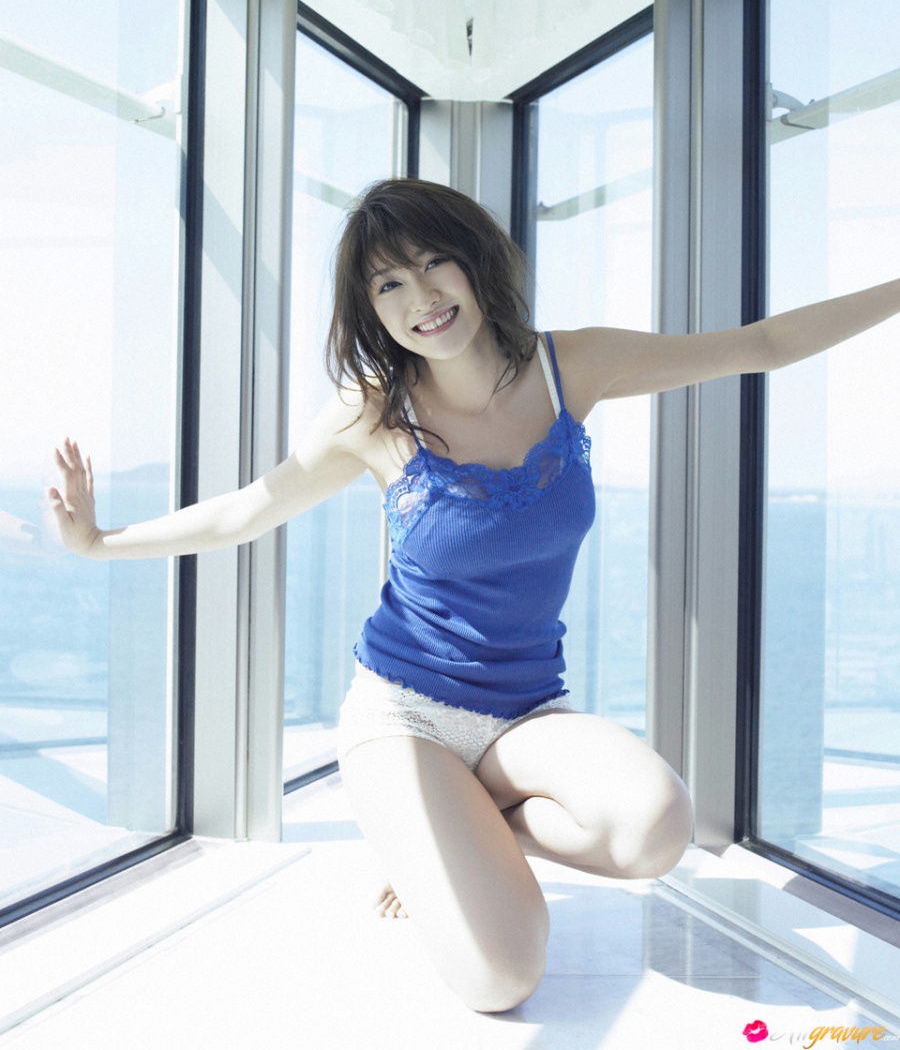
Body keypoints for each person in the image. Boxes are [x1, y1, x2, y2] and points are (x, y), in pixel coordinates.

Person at [48, 177, 900, 1013]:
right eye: (389, 284)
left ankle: (462, 834)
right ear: (370, 309)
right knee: (503, 981)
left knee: (657, 830)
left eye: (433, 263)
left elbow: (763, 345)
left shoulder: (571, 368)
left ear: (476, 261)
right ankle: (431, 844)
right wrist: (99, 542)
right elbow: (246, 512)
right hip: (404, 718)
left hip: (527, 716)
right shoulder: (373, 415)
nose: (421, 297)